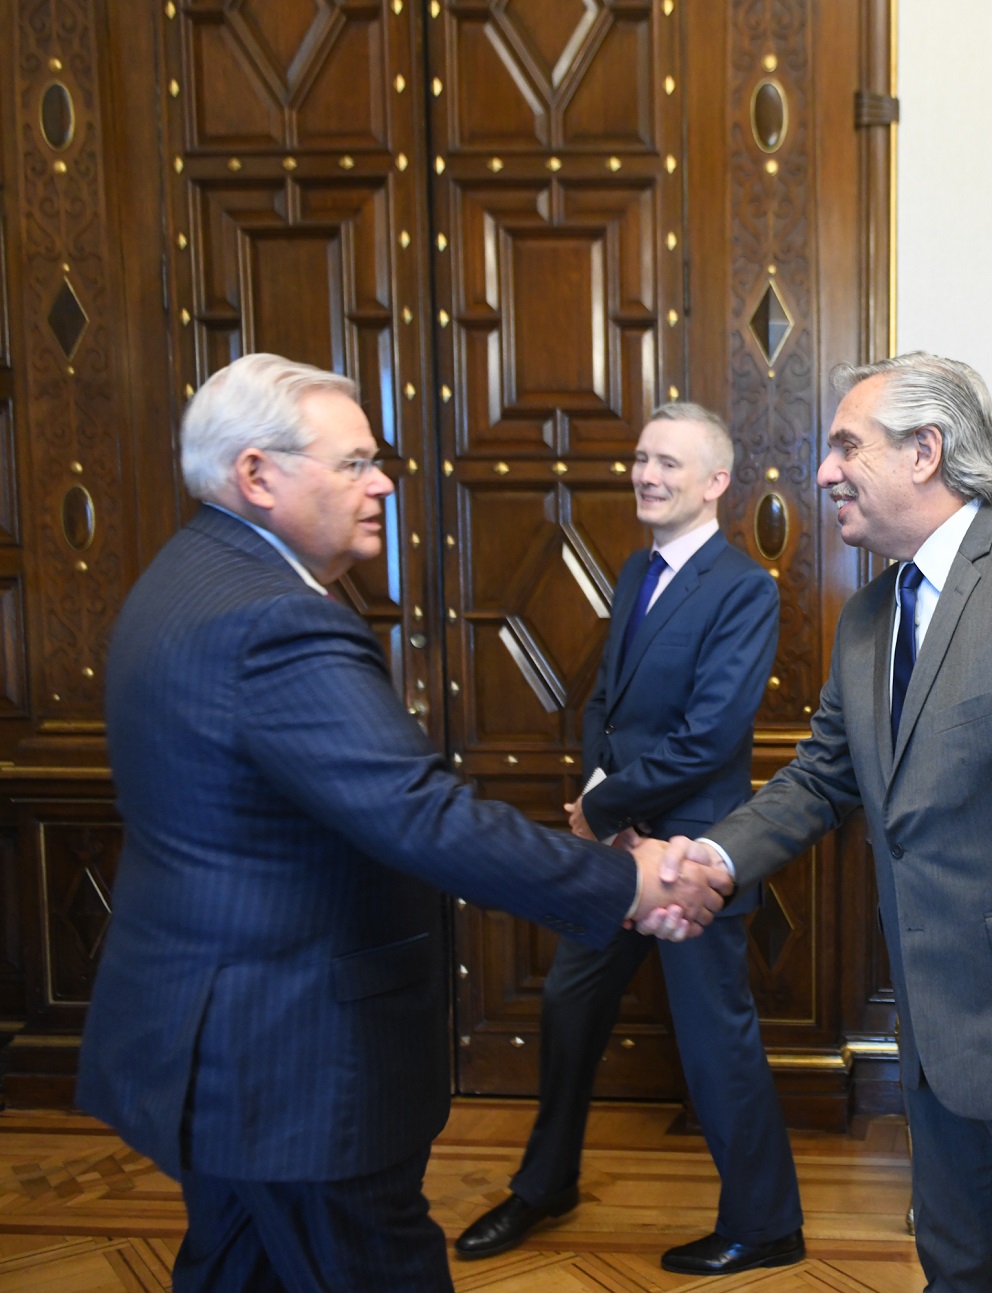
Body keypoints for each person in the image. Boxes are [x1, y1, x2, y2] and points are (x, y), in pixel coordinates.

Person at [76, 354, 733, 1293]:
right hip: (292, 1062)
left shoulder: (187, 575)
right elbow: (418, 815)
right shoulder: (272, 619)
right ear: (256, 476)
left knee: (237, 1266)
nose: (383, 481)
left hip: (217, 1045)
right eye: (353, 463)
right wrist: (631, 881)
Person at [645, 352, 992, 1292]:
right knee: (960, 1276)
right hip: (937, 1044)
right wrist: (713, 858)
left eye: (846, 445)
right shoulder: (867, 618)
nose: (822, 472)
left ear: (926, 451)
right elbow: (819, 779)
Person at [454, 404, 802, 1274]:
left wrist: (606, 812)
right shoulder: (635, 568)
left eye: (667, 464)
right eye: (642, 459)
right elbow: (604, 703)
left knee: (715, 1041)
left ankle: (766, 1225)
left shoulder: (744, 588)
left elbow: (711, 735)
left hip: (691, 861)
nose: (646, 475)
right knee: (569, 1010)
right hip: (614, 853)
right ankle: (545, 1186)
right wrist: (599, 806)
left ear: (715, 481)